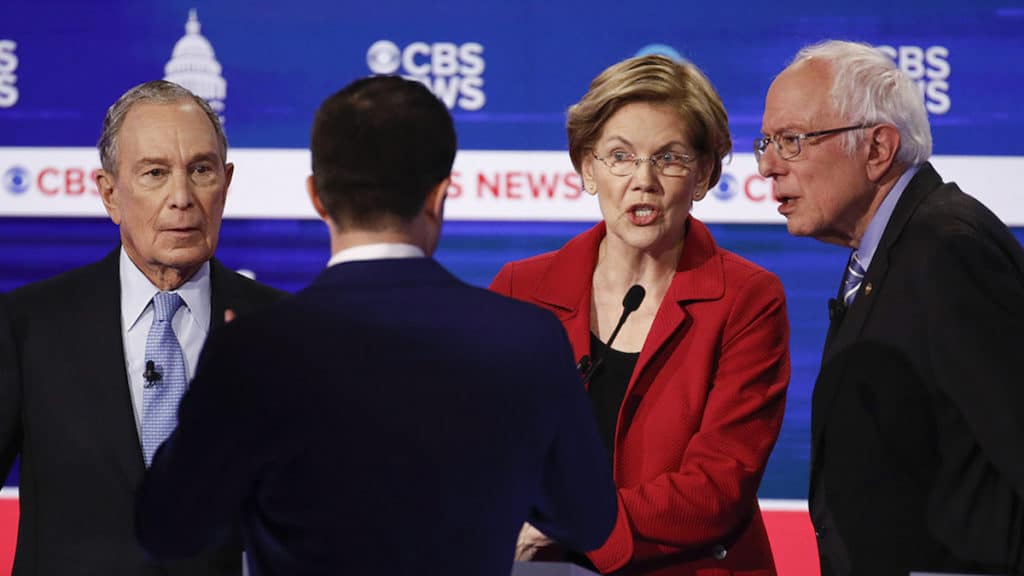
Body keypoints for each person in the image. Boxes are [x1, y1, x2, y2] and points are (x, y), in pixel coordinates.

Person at [134, 75, 618, 576]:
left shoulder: (253, 351)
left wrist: (216, 394)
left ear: (317, 198)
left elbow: (167, 528)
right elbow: (590, 523)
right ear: (439, 197)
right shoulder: (528, 339)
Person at [491, 54, 790, 575]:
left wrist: (568, 521)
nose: (643, 180)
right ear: (588, 168)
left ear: (702, 175)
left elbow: (717, 487)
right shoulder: (522, 289)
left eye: (669, 157)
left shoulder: (747, 299)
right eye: (620, 156)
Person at [758, 39, 1024, 576]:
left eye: (791, 141)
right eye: (766, 142)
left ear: (877, 149)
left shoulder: (949, 250)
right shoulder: (888, 252)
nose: (767, 166)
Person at [0, 80, 283, 575]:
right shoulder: (28, 326)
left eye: (201, 170)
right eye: (155, 173)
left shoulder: (281, 331)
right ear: (110, 194)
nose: (182, 197)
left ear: (227, 182)